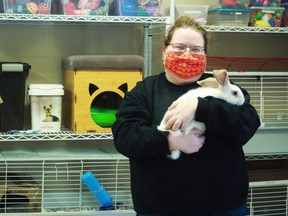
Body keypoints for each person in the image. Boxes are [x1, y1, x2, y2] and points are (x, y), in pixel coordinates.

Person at [112, 16, 261, 216]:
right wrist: (171, 141)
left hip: (224, 207)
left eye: (197, 49)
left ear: (205, 55)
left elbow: (248, 123)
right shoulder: (145, 91)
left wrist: (201, 108)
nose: (188, 55)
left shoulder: (222, 89)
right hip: (159, 208)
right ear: (164, 51)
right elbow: (125, 137)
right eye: (179, 47)